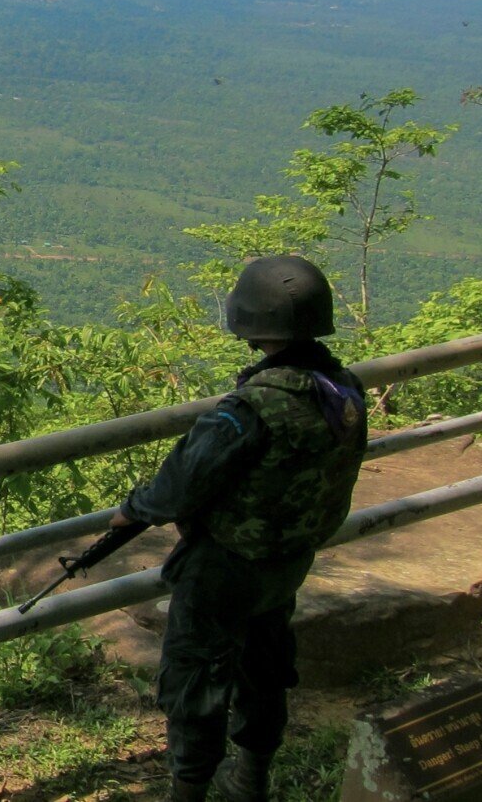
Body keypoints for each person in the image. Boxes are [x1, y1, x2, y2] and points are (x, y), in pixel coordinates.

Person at [108, 255, 367, 802]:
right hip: (288, 560)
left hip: (225, 565)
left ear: (251, 323)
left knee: (195, 679)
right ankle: (251, 776)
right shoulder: (341, 389)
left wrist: (131, 510)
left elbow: (182, 481)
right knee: (264, 665)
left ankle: (190, 791)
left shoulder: (251, 407)